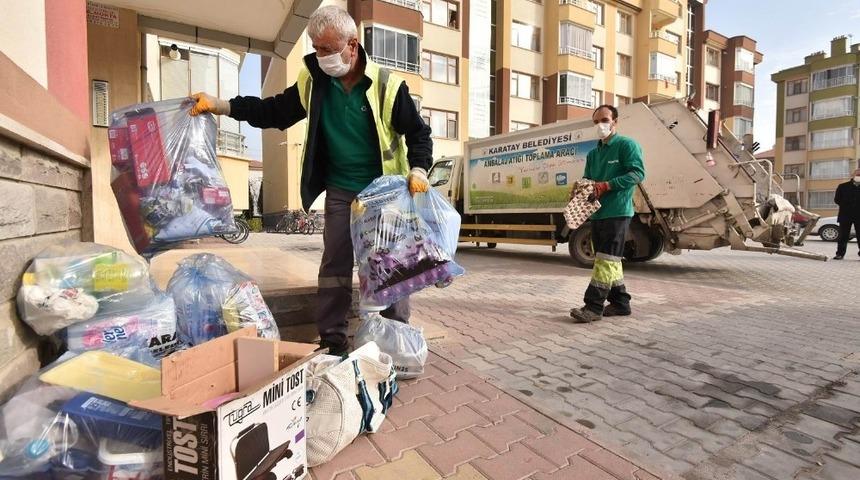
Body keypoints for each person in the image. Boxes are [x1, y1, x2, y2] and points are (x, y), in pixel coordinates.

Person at [190, 5, 433, 355]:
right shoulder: (314, 79)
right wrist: (222, 105)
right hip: (340, 189)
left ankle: (396, 338)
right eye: (316, 47)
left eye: (328, 49)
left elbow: (419, 134)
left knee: (389, 263)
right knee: (334, 263)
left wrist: (419, 169)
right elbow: (274, 111)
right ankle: (333, 340)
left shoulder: (387, 86)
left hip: (384, 194)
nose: (321, 56)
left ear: (352, 45)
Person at [570, 105, 645, 324]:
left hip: (618, 212)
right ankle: (621, 303)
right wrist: (580, 189)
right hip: (597, 214)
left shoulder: (626, 145)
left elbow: (637, 173)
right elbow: (589, 180)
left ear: (615, 121)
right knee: (610, 260)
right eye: (596, 122)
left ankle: (593, 307)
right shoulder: (594, 154)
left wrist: (607, 186)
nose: (600, 125)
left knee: (604, 260)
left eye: (604, 120)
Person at [833, 168, 860, 260]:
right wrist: (847, 205)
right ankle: (840, 254)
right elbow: (837, 200)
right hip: (845, 214)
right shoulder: (843, 186)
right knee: (843, 236)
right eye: (857, 175)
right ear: (853, 175)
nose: (858, 176)